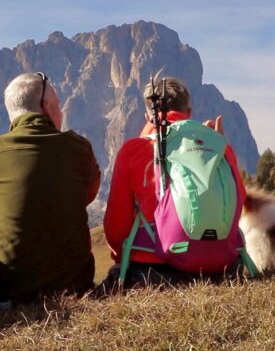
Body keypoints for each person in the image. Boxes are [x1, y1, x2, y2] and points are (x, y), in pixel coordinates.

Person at [0, 72, 101, 302]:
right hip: (75, 285)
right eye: (58, 105)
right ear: (46, 106)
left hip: (4, 289)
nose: (61, 112)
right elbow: (88, 195)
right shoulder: (80, 148)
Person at [103, 76, 246, 287]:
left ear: (148, 116)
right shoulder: (219, 145)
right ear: (188, 112)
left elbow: (116, 227)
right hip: (223, 269)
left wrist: (119, 259)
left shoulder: (133, 150)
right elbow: (239, 201)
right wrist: (218, 144)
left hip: (153, 273)